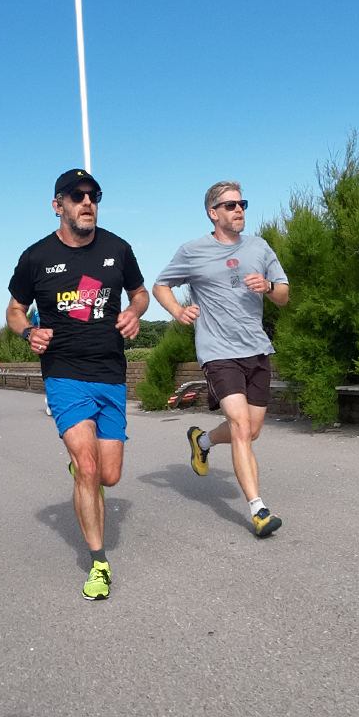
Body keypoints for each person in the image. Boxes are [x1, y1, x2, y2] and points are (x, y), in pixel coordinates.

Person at [6, 169, 148, 600]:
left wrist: (134, 312)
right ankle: (99, 563)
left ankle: (81, 470)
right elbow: (15, 309)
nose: (87, 202)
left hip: (109, 371)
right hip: (64, 372)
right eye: (77, 196)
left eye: (94, 195)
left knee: (110, 474)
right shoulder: (36, 257)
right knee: (89, 469)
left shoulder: (117, 248)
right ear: (58, 204)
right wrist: (29, 331)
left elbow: (139, 293)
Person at [153, 180, 290, 539]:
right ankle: (258, 510)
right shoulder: (193, 251)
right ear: (213, 213)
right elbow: (160, 285)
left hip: (257, 349)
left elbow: (284, 295)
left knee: (251, 430)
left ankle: (201, 442)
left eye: (242, 203)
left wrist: (269, 288)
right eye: (230, 205)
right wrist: (177, 310)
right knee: (242, 427)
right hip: (218, 352)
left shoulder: (260, 247)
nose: (239, 209)